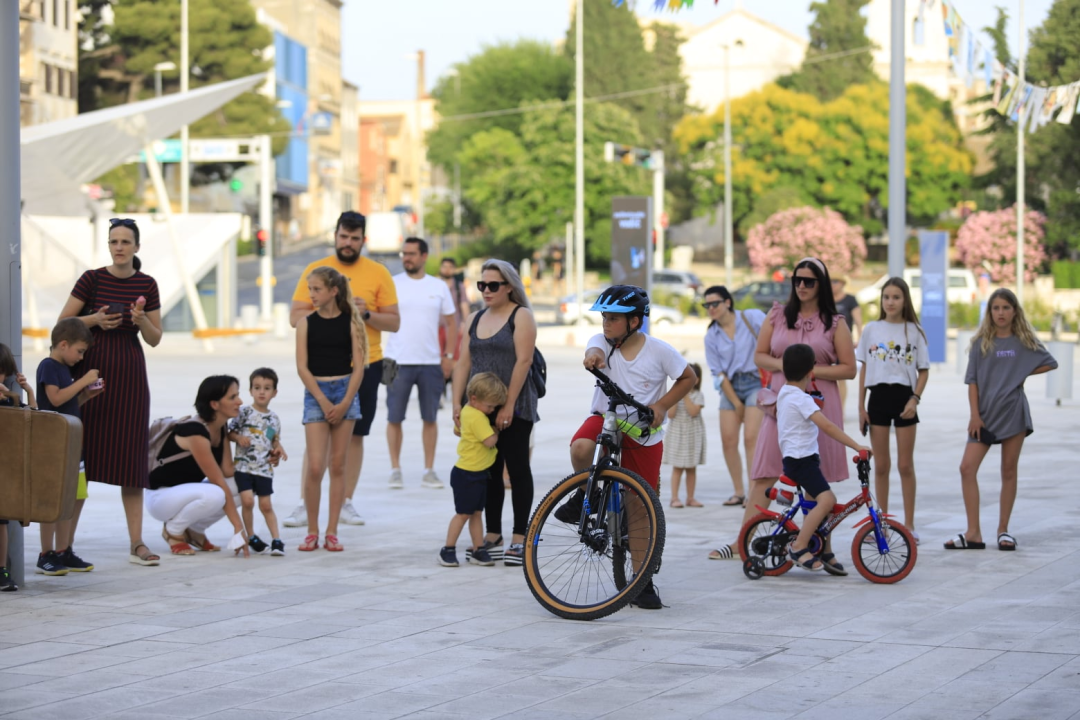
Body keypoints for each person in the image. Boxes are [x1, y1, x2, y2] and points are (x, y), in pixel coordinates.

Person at [711, 258, 856, 564]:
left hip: (818, 403)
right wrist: (789, 366)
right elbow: (760, 355)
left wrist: (810, 371)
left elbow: (849, 369)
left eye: (809, 281)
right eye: (797, 280)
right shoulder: (777, 315)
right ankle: (743, 541)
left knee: (820, 480)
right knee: (764, 473)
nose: (801, 286)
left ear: (822, 285)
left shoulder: (835, 323)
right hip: (781, 404)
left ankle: (819, 546)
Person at [569, 285, 695, 609]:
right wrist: (593, 357)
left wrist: (663, 405)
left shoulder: (659, 350)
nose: (606, 324)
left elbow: (688, 377)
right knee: (581, 448)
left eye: (613, 319)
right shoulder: (602, 343)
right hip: (608, 420)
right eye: (604, 318)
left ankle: (642, 579)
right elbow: (593, 348)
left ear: (634, 322)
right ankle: (589, 493)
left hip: (643, 432)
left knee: (639, 505)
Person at [283, 211, 400, 529]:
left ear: (364, 240)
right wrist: (327, 311)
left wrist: (366, 314)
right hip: (321, 369)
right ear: (335, 236)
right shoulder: (315, 270)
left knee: (357, 435)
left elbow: (394, 322)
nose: (348, 243)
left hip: (367, 365)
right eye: (343, 237)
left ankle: (346, 501)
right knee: (316, 436)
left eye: (354, 238)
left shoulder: (378, 273)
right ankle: (306, 505)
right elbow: (295, 316)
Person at [58, 217, 163, 567]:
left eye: (125, 242)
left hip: (131, 379)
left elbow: (155, 337)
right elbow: (62, 326)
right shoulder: (92, 278)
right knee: (79, 461)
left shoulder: (147, 283)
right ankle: (64, 548)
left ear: (136, 247)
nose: (119, 247)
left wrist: (140, 318)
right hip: (90, 379)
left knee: (131, 463)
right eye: (113, 241)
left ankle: (137, 543)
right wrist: (95, 320)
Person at [945, 289, 1057, 552]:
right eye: (996, 308)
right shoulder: (980, 342)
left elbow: (1050, 362)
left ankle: (1003, 531)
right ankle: (973, 532)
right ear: (989, 311)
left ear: (1014, 311)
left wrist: (1020, 373)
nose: (1001, 313)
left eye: (1006, 307)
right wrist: (974, 415)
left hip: (1013, 412)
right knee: (967, 468)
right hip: (983, 415)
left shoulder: (1022, 341)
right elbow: (971, 381)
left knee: (1008, 470)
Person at [451, 259, 539, 568]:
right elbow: (462, 363)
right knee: (487, 470)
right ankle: (492, 534)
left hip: (516, 406)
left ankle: (519, 537)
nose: (486, 291)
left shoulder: (521, 316)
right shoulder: (473, 319)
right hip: (479, 409)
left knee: (516, 469)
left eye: (493, 285)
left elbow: (523, 362)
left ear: (509, 286)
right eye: (481, 285)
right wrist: (456, 405)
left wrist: (509, 404)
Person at [778, 344, 870, 572]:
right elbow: (827, 426)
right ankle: (799, 546)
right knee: (827, 500)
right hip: (801, 462)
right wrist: (857, 445)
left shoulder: (785, 392)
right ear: (811, 371)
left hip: (802, 459)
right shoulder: (801, 399)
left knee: (820, 506)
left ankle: (825, 551)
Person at [296, 267, 368, 552]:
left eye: (317, 289)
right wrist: (324, 401)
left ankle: (332, 530)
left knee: (338, 465)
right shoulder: (305, 323)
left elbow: (359, 366)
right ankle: (312, 530)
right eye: (310, 289)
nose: (312, 295)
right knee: (315, 466)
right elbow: (302, 367)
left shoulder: (351, 322)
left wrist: (345, 401)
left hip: (346, 393)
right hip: (316, 394)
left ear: (333, 291)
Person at [856, 278, 929, 543]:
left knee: (905, 464)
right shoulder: (872, 329)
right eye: (886, 296)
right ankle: (881, 523)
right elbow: (863, 369)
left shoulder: (914, 331)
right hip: (878, 398)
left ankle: (909, 524)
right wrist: (861, 407)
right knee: (882, 465)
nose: (890, 302)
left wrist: (914, 399)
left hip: (904, 398)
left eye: (896, 297)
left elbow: (924, 371)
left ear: (905, 300)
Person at [145, 376, 249, 558]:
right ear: (214, 404)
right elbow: (219, 482)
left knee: (246, 485)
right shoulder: (195, 432)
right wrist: (238, 528)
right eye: (232, 397)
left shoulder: (220, 427)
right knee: (216, 494)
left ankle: (194, 530)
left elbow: (227, 471)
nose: (239, 401)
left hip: (184, 493)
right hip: (161, 497)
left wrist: (262, 457)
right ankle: (173, 531)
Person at [385, 238, 458, 489]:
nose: (407, 258)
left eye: (412, 254)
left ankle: (429, 470)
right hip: (395, 361)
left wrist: (448, 356)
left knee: (430, 418)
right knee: (394, 417)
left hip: (430, 362)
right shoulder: (392, 284)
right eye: (404, 253)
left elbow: (452, 322)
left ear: (424, 256)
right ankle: (395, 469)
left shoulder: (438, 286)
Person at [34, 319, 103, 576]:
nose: (80, 357)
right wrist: (84, 380)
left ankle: (64, 549)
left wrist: (86, 395)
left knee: (74, 497)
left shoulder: (63, 369)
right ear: (63, 344)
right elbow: (55, 399)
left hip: (72, 444)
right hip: (54, 445)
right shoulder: (49, 366)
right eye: (80, 351)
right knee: (53, 500)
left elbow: (67, 403)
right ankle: (46, 553)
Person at [702, 285, 766, 513]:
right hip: (730, 387)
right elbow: (718, 373)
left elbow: (773, 335)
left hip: (756, 382)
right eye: (706, 305)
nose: (711, 308)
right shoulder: (712, 336)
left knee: (751, 438)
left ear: (728, 302)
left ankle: (754, 493)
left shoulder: (751, 317)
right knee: (728, 440)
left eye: (714, 303)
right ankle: (739, 492)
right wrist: (736, 403)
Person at [439, 372, 507, 568]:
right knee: (463, 514)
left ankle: (479, 549)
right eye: (490, 406)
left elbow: (457, 431)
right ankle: (448, 549)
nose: (491, 410)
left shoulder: (467, 411)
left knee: (476, 513)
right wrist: (495, 430)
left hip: (475, 473)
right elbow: (489, 441)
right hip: (467, 474)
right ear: (475, 398)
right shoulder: (477, 417)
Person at [228, 368, 288, 556]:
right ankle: (252, 536)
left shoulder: (274, 419)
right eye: (257, 387)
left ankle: (277, 540)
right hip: (243, 467)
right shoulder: (244, 413)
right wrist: (238, 438)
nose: (261, 392)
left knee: (266, 505)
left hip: (264, 470)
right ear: (251, 390)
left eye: (267, 388)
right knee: (247, 502)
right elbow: (229, 432)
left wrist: (279, 449)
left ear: (274, 393)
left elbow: (273, 440)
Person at [663, 362, 706, 508]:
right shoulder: (674, 395)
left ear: (697, 380)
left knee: (691, 468)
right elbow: (670, 414)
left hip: (693, 435)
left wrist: (685, 394)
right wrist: (677, 394)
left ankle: (690, 497)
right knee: (678, 468)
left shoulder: (698, 395)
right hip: (677, 434)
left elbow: (693, 412)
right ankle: (674, 498)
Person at [832, 275, 862, 414]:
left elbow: (858, 321)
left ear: (842, 283)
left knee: (840, 379)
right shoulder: (825, 300)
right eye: (830, 282)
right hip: (826, 343)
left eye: (835, 281)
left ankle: (840, 411)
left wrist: (859, 339)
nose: (832, 284)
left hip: (843, 343)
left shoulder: (850, 300)